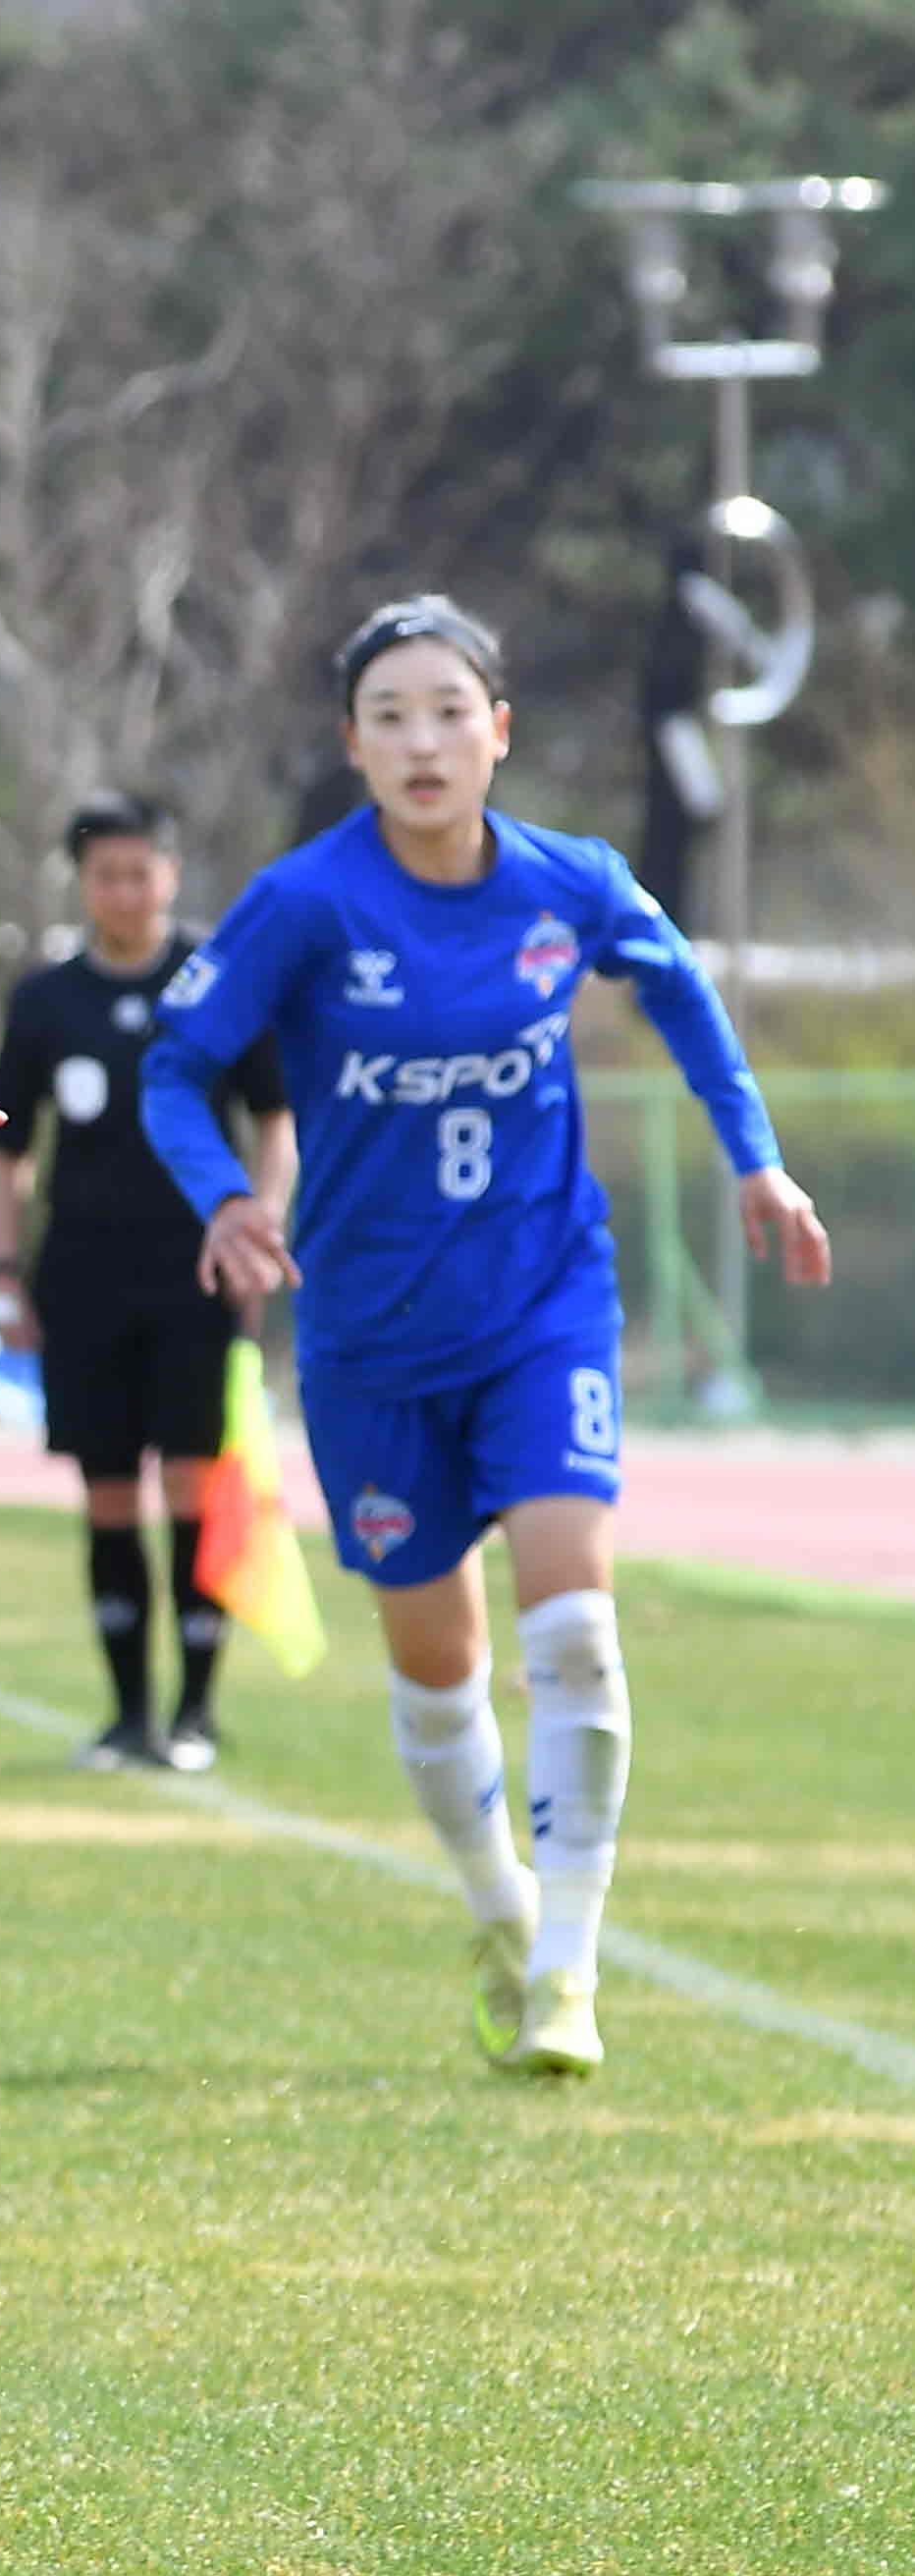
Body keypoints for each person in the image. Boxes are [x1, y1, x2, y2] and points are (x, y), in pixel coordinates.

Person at [142, 596, 834, 2079]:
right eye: (386, 714)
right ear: (349, 744)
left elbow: (679, 990)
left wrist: (752, 1155)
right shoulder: (303, 904)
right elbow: (172, 1067)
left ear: (497, 730)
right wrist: (219, 1198)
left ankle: (567, 1971)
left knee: (572, 1627)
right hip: (368, 1342)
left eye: (447, 709)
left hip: (539, 1308)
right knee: (434, 1663)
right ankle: (495, 1908)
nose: (419, 741)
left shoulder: (566, 883)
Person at [0, 791, 295, 1773]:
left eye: (141, 871)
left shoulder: (219, 984)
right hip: (79, 1274)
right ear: (82, 883)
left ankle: (194, 1713)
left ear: (169, 872)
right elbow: (7, 1145)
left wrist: (257, 1227)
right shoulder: (44, 1001)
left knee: (194, 1483)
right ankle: (126, 1717)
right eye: (105, 874)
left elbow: (275, 1118)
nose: (125, 890)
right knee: (106, 1491)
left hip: (193, 1271)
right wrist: (2, 1269)